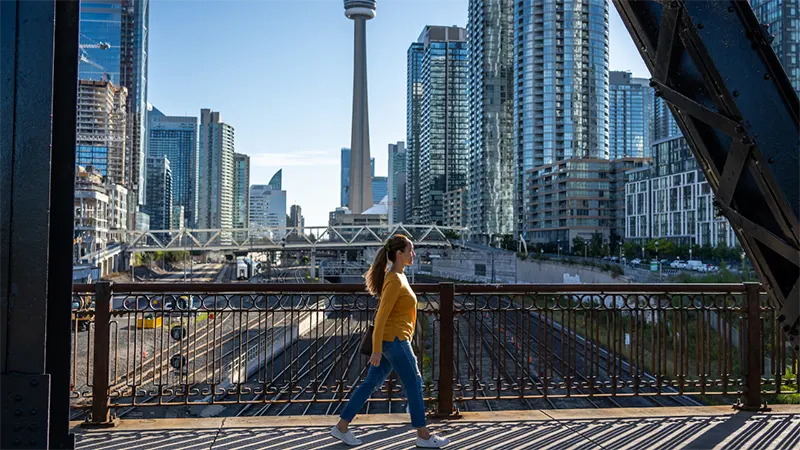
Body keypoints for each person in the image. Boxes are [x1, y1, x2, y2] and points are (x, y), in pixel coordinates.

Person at [331, 234, 449, 448]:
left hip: (393, 339)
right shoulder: (394, 279)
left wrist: (380, 347)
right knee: (414, 382)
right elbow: (380, 317)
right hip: (394, 340)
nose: (414, 254)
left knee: (370, 384)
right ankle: (423, 435)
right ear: (399, 254)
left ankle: (341, 426)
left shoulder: (399, 276)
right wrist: (376, 349)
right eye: (410, 251)